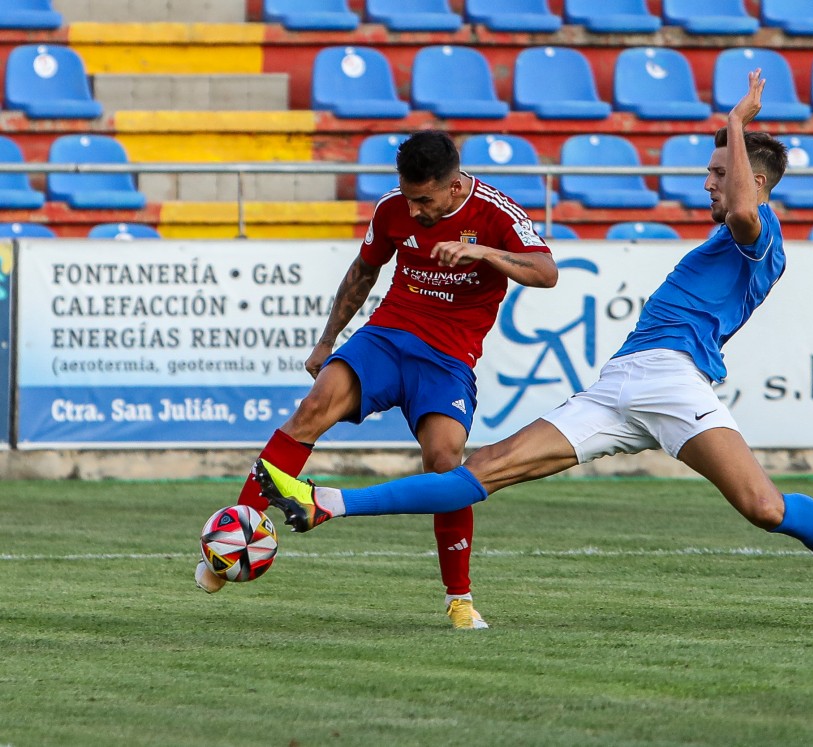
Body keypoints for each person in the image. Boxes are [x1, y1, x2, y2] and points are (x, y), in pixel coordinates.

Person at [253, 71, 813, 620]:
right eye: (712, 169)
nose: (707, 181)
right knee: (484, 469)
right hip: (623, 382)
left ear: (757, 178)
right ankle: (326, 504)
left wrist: (735, 124)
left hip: (674, 381)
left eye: (717, 171)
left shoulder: (760, 234)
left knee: (765, 508)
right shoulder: (725, 240)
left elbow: (744, 203)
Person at [195, 130, 559, 631]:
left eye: (424, 201)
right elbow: (363, 273)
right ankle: (235, 538)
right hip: (387, 336)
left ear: (454, 187)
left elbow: (546, 272)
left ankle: (459, 600)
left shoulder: (498, 213)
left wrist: (486, 255)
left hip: (448, 360)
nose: (413, 212)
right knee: (311, 410)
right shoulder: (393, 208)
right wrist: (326, 342)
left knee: (445, 464)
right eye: (408, 198)